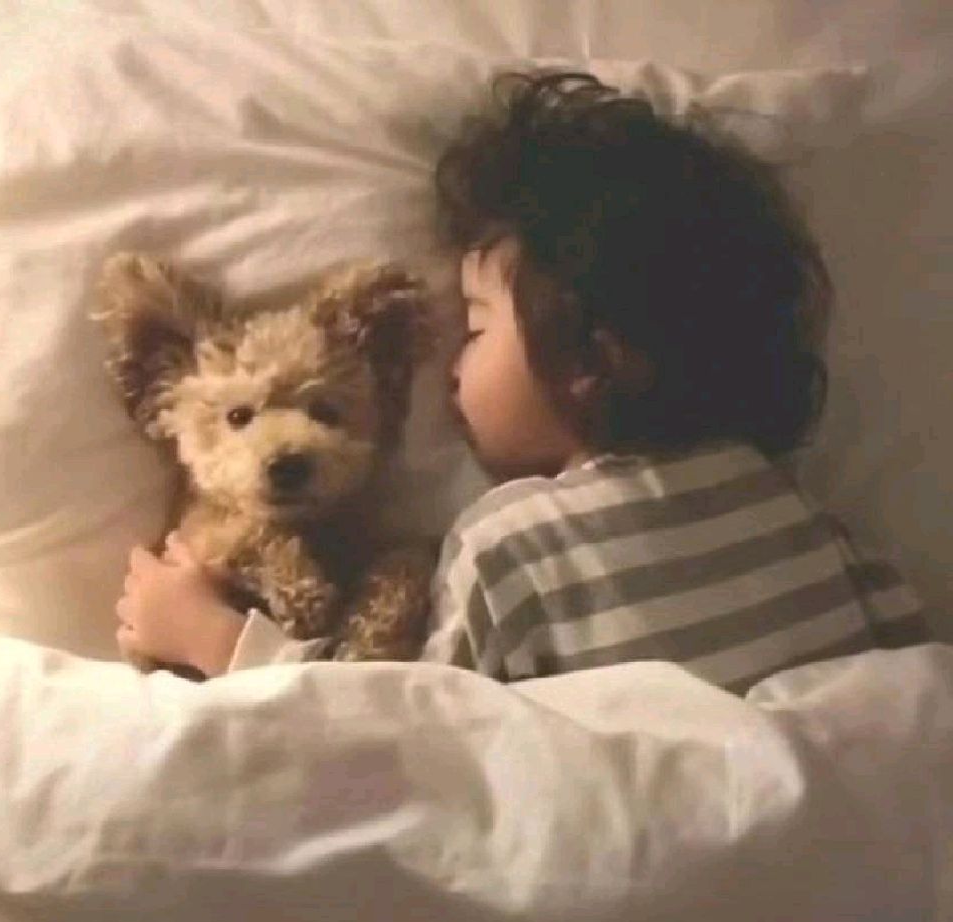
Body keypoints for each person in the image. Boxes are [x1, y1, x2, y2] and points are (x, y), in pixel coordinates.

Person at [115, 71, 926, 692]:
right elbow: (905, 681)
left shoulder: (512, 546)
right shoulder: (793, 511)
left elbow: (403, 738)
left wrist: (216, 641)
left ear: (594, 361)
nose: (453, 367)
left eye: (475, 329)